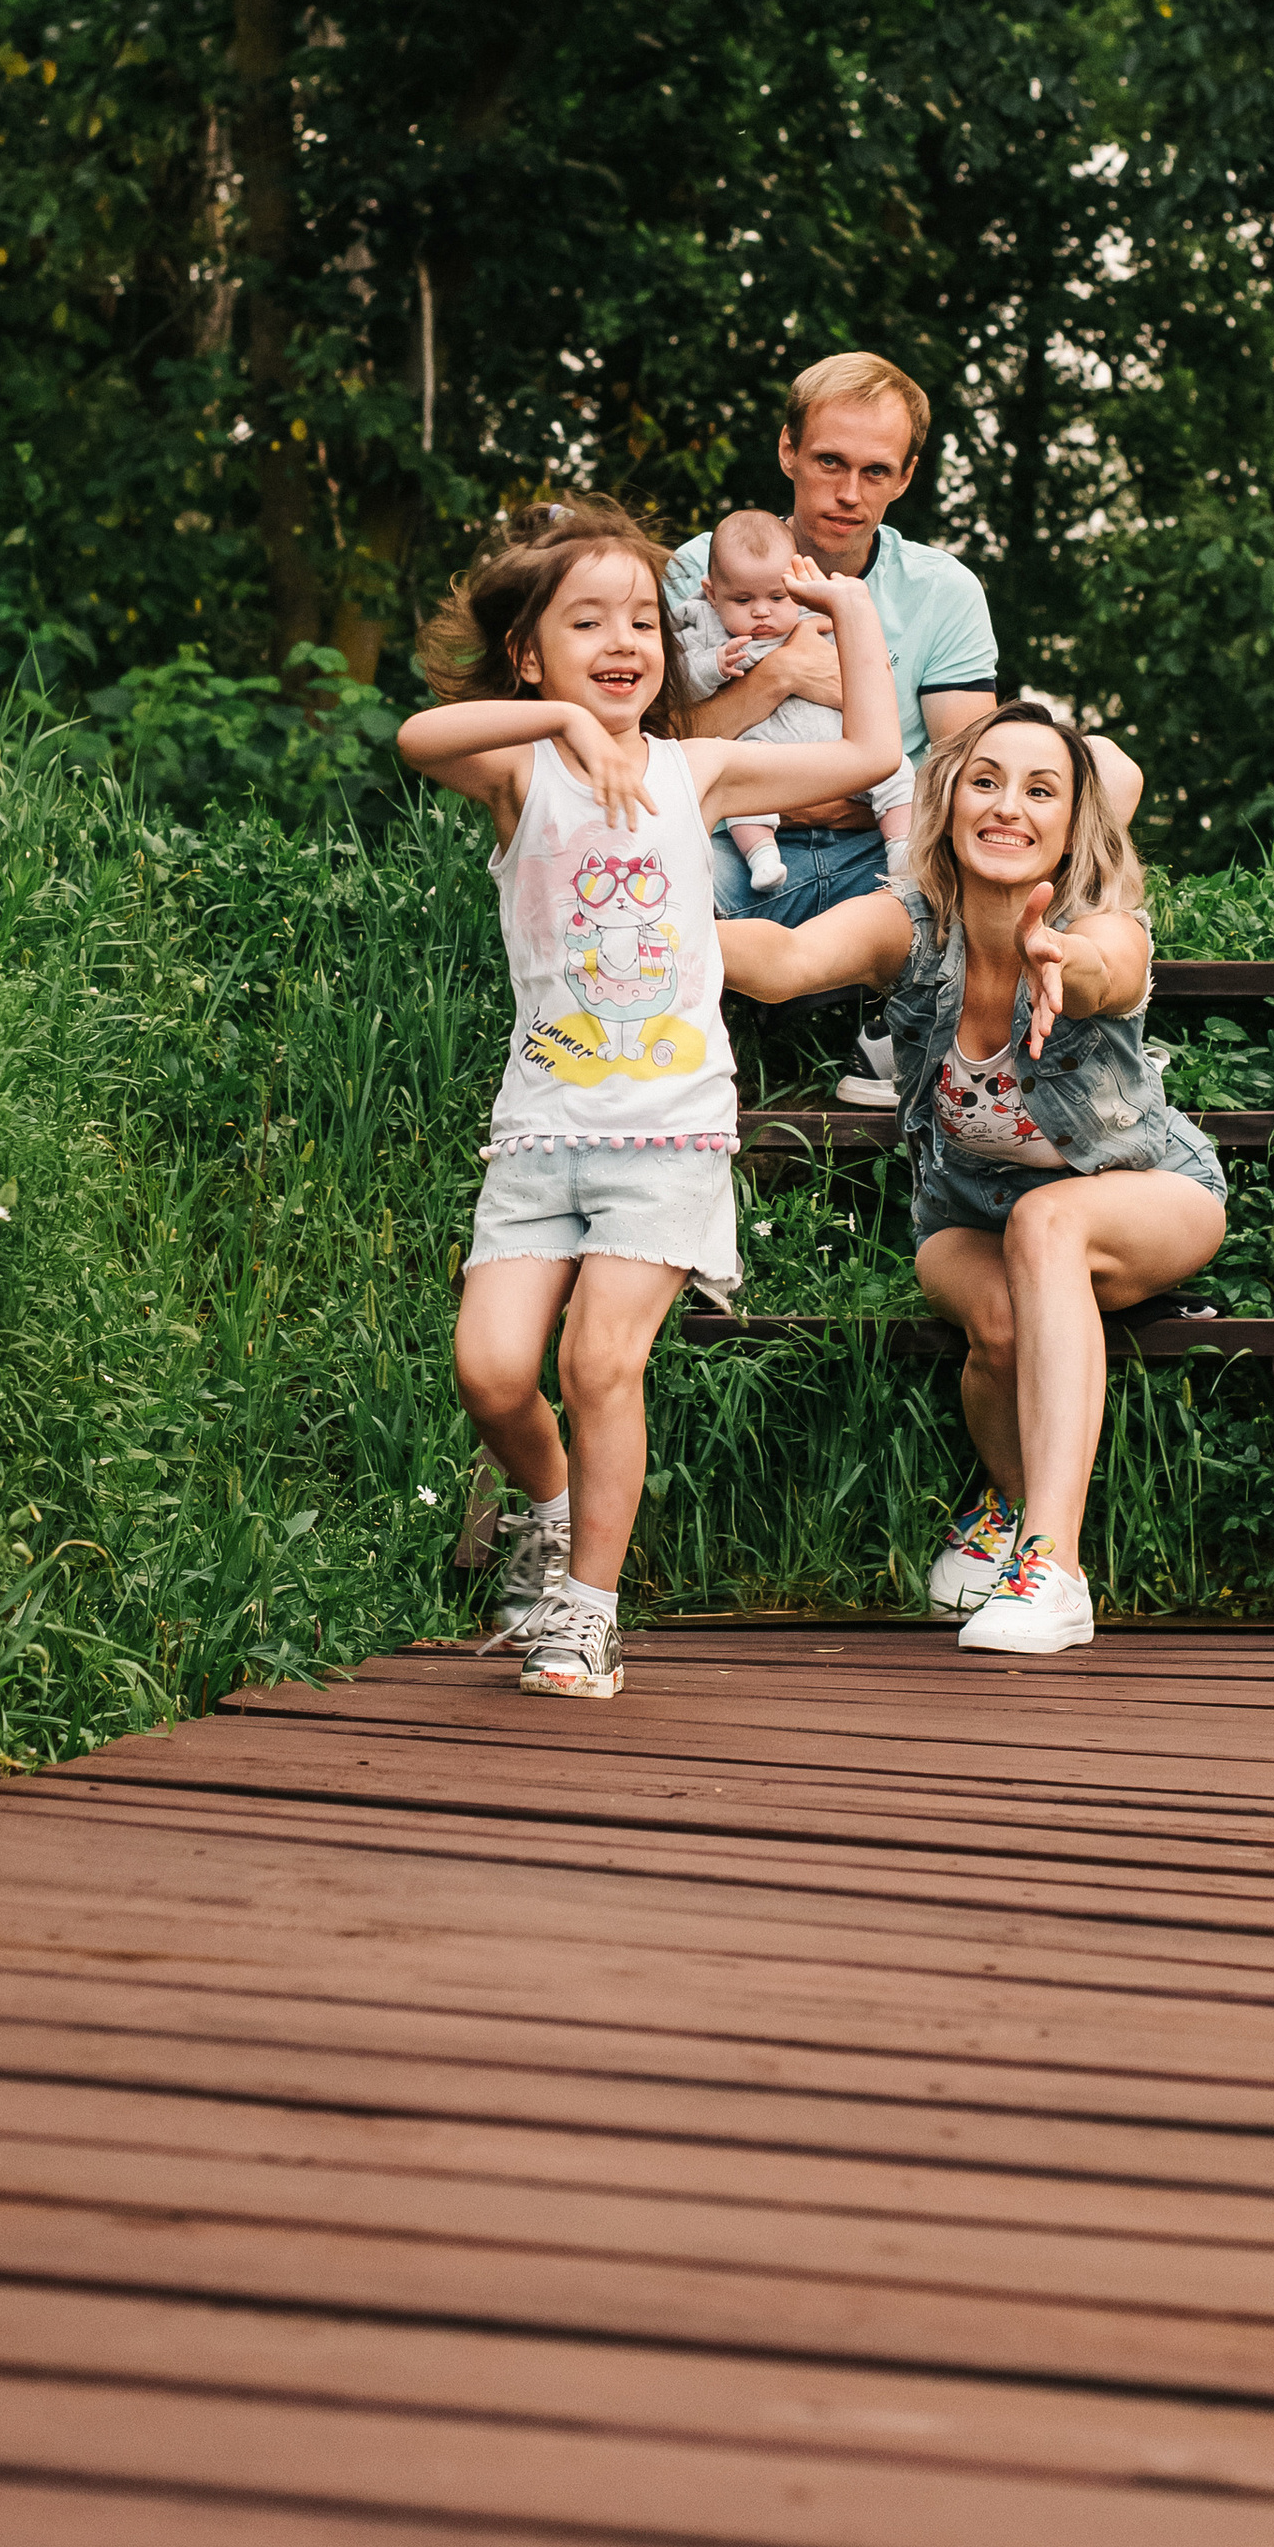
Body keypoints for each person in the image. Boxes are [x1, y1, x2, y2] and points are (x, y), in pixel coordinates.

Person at [399, 496, 902, 1698]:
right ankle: (553, 1510)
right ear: (529, 656)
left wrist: (849, 611)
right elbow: (419, 734)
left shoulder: (697, 770)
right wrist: (564, 719)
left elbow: (872, 756)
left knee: (598, 1364)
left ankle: (589, 1613)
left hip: (669, 1130)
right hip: (539, 1132)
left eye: (639, 620)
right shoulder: (520, 771)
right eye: (586, 623)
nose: (623, 641)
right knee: (490, 1373)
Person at [717, 701, 1227, 1658]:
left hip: (1145, 1195)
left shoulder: (1100, 924)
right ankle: (1011, 1503)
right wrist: (665, 935)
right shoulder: (909, 925)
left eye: (1040, 791)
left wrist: (1063, 962)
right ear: (949, 803)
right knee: (1000, 1319)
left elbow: (1111, 972)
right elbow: (787, 959)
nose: (1007, 806)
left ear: (1072, 827)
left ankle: (1053, 1570)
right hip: (967, 1213)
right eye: (986, 782)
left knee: (1048, 1228)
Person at [665, 351, 1000, 933]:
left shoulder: (942, 590)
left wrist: (832, 801)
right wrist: (780, 676)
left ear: (905, 477)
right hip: (732, 846)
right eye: (830, 462)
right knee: (645, 894)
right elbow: (652, 750)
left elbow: (967, 770)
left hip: (884, 847)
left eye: (876, 472)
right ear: (787, 451)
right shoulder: (703, 569)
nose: (849, 493)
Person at [675, 508, 914, 897]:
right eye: (742, 599)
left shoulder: (817, 611)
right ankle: (762, 856)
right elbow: (678, 681)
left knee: (897, 770)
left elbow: (865, 670)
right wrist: (712, 667)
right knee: (740, 785)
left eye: (777, 596)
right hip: (766, 752)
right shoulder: (704, 626)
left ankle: (902, 848)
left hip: (839, 750)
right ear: (712, 593)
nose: (762, 611)